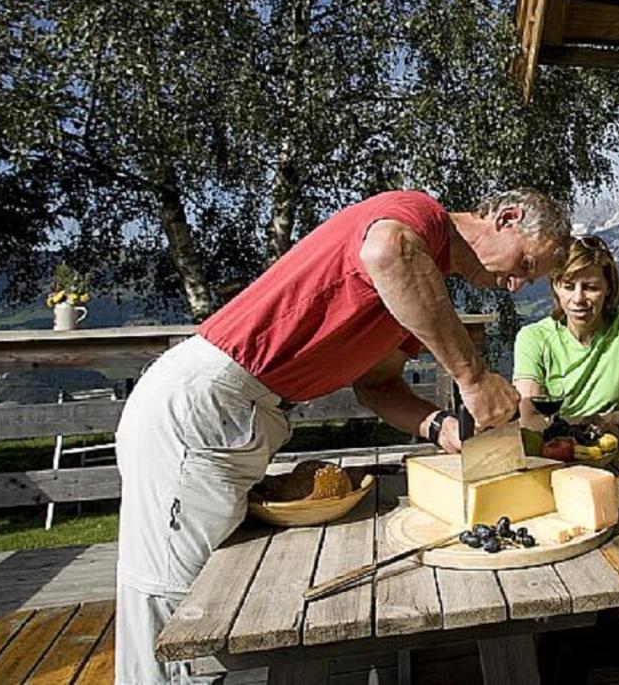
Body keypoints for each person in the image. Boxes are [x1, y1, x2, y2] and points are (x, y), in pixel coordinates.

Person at [114, 189, 569, 685]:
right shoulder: (420, 219)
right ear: (505, 217)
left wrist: (440, 427)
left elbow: (376, 387)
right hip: (202, 408)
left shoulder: (421, 282)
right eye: (525, 263)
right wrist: (474, 376)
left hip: (237, 417)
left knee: (207, 598)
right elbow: (386, 251)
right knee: (174, 607)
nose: (516, 285)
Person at [513, 234, 619, 432]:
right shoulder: (533, 338)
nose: (578, 298)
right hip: (560, 452)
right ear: (556, 286)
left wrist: (569, 421)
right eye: (569, 286)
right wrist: (610, 418)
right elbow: (529, 422)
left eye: (591, 287)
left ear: (608, 288)